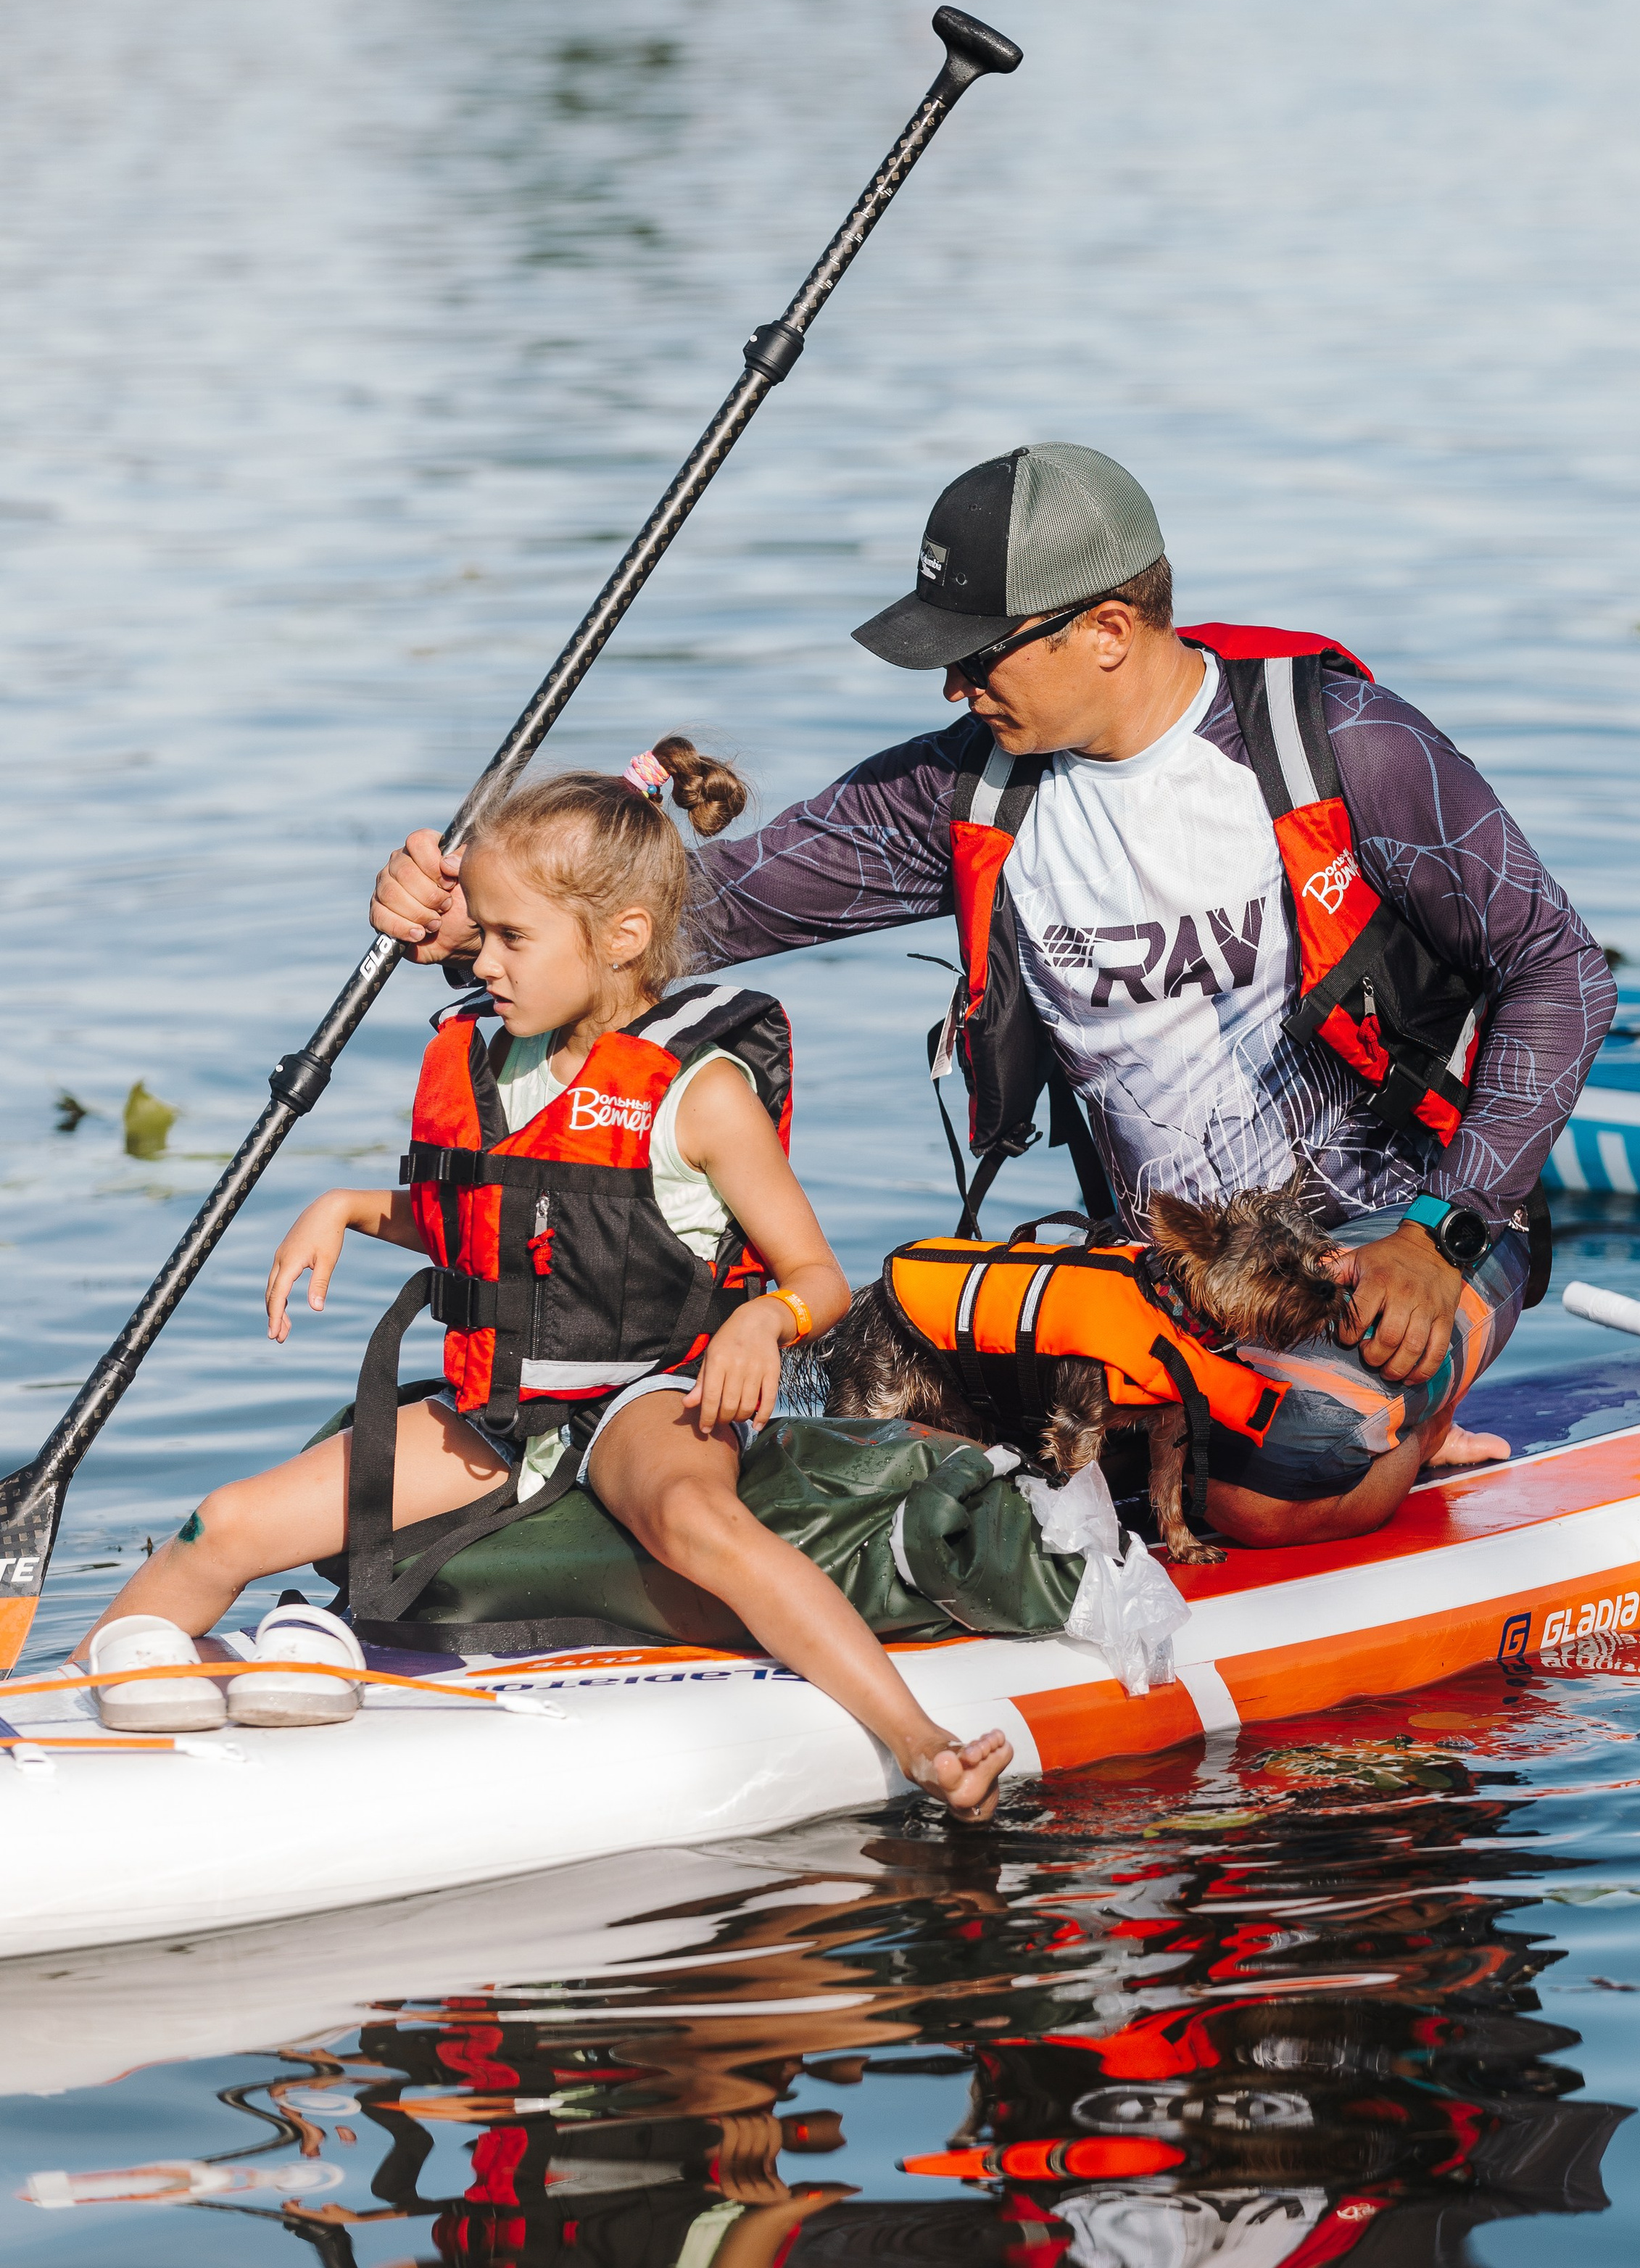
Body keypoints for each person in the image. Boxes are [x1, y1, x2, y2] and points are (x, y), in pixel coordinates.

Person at [376, 447, 1616, 1553]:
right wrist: (475, 926)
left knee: (1268, 1492)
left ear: (1111, 629)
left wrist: (1443, 1233)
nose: (955, 687)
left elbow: (1558, 969)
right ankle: (1311, 1421)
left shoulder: (1345, 748)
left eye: (978, 655)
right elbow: (683, 911)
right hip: (1169, 1275)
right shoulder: (967, 798)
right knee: (844, 1410)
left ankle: (1386, 1409)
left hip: (1399, 1239)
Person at [81, 743, 1011, 1817]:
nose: (483, 963)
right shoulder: (494, 1059)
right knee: (225, 1523)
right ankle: (71, 1704)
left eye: (510, 938)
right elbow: (484, 1227)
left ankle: (926, 1742)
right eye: (483, 932)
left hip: (649, 1394)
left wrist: (767, 1322)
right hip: (498, 1407)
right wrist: (340, 1208)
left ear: (620, 939)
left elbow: (818, 1276)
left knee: (697, 1529)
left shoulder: (702, 1094)